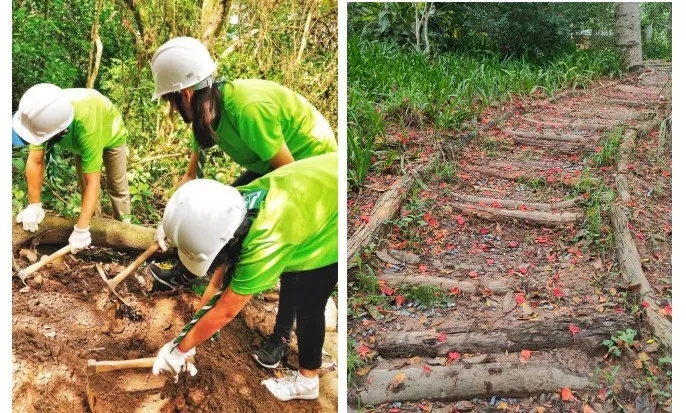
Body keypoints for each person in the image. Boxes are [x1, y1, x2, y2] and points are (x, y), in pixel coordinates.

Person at [146, 36, 337, 370]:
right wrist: (169, 221)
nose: (171, 108)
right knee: (223, 215)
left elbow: (292, 182)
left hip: (307, 165)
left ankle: (279, 336)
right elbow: (191, 181)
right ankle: (186, 272)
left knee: (287, 258)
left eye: (170, 101)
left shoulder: (247, 110)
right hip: (271, 168)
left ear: (185, 94)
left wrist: (182, 345)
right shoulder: (205, 117)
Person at [151, 152, 338, 401]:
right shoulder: (240, 205)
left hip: (336, 223)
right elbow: (218, 284)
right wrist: (188, 339)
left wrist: (179, 349)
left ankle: (307, 383)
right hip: (326, 190)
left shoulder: (266, 240)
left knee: (309, 303)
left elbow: (226, 310)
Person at [12, 83, 131, 254]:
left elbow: (94, 183)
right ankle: (94, 233)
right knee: (85, 189)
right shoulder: (41, 118)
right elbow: (35, 162)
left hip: (111, 133)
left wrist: (80, 229)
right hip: (79, 140)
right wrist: (34, 205)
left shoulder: (84, 126)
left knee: (117, 187)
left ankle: (125, 236)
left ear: (59, 131)